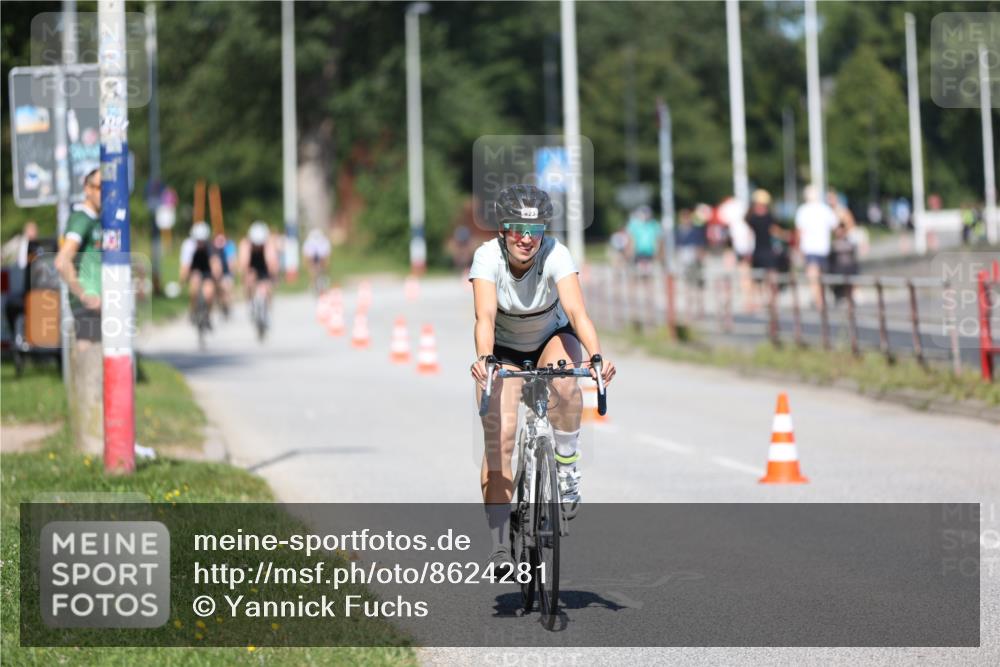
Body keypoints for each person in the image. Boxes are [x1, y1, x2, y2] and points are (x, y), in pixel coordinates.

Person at [469, 185, 616, 574]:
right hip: (503, 350)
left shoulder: (555, 253)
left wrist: (598, 357)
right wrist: (485, 360)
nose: (526, 238)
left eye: (534, 229)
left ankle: (567, 466)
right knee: (500, 438)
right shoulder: (487, 258)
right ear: (502, 229)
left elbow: (577, 311)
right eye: (517, 228)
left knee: (567, 383)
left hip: (552, 338)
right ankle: (500, 544)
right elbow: (484, 317)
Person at [54, 168, 102, 345]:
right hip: (88, 308)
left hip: (100, 306)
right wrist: (85, 296)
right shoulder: (81, 219)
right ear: (87, 189)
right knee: (89, 365)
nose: (104, 193)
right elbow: (62, 261)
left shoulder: (97, 219)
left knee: (100, 366)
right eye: (99, 187)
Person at [794, 184, 838, 308]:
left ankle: (818, 300)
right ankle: (820, 298)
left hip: (809, 247)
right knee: (821, 275)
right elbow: (835, 227)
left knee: (813, 275)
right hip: (824, 247)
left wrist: (797, 247)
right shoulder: (825, 209)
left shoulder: (803, 210)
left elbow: (799, 231)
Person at [179, 222, 223, 325]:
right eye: (198, 241)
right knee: (194, 286)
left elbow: (215, 263)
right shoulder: (189, 245)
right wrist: (182, 281)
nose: (200, 243)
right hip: (194, 268)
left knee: (209, 293)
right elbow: (185, 265)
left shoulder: (211, 246)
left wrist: (217, 278)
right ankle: (193, 310)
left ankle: (208, 314)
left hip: (207, 270)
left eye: (202, 241)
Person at [238, 221, 280, 308]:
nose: (258, 246)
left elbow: (272, 262)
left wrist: (274, 276)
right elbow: (243, 263)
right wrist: (245, 276)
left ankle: (268, 307)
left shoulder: (268, 245)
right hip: (251, 267)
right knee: (249, 283)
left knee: (268, 287)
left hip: (264, 267)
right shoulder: (245, 244)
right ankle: (250, 302)